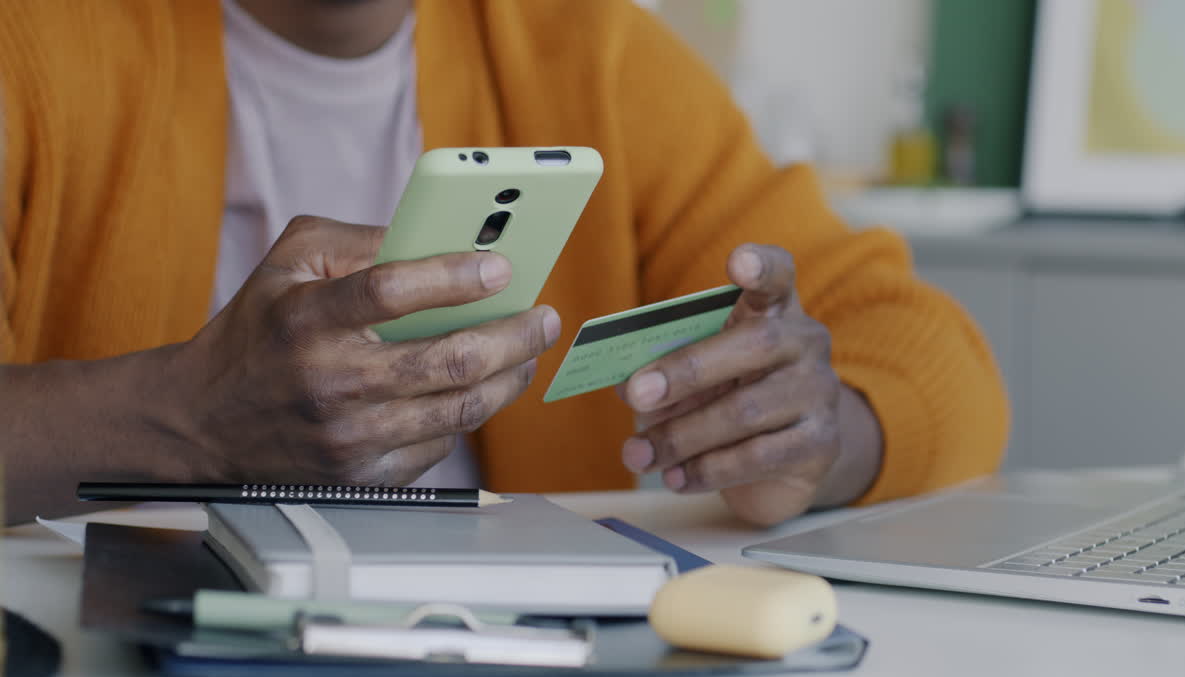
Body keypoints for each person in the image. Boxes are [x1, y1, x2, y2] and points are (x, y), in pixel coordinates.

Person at [0, 0, 1008, 527]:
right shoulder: (33, 45)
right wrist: (186, 419)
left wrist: (817, 434)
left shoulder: (592, 54)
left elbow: (929, 356)